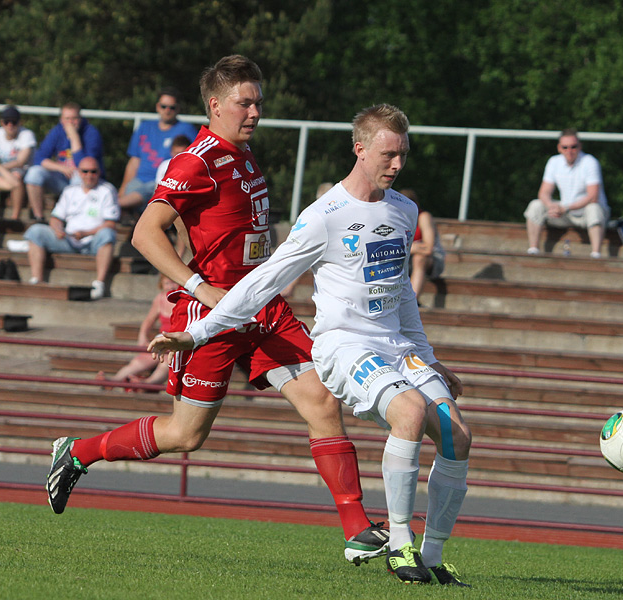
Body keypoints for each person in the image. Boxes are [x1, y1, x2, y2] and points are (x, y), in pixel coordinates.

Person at [44, 55, 387, 567]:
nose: (254, 111)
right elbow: (144, 232)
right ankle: (76, 454)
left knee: (321, 401)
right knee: (186, 435)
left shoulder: (245, 156)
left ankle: (357, 529)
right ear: (215, 105)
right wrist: (202, 290)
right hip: (215, 317)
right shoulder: (195, 161)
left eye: (258, 102)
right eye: (244, 102)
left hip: (262, 307)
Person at [149, 104, 473, 586]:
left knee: (457, 434)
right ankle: (401, 547)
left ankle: (433, 555)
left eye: (403, 155)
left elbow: (401, 292)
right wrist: (197, 332)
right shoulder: (325, 215)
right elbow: (264, 280)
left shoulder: (404, 211)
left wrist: (428, 357)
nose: (397, 165)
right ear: (359, 149)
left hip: (396, 345)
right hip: (344, 346)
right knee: (407, 412)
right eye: (388, 154)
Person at [23, 156, 117, 299]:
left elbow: (111, 223)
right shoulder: (70, 191)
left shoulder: (107, 190)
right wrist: (57, 229)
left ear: (99, 172)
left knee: (108, 234)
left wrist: (86, 233)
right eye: (85, 171)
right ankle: (37, 280)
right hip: (68, 239)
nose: (89, 175)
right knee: (35, 231)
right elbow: (55, 218)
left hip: (93, 242)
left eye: (93, 171)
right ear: (79, 172)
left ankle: (99, 283)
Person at [524, 128, 611, 258]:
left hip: (584, 214)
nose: (569, 151)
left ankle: (596, 255)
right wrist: (551, 206)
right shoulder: (554, 162)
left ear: (580, 146)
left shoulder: (590, 162)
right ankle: (533, 250)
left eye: (573, 147)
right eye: (565, 147)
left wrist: (567, 207)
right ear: (559, 148)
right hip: (565, 213)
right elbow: (544, 192)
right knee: (536, 205)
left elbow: (593, 196)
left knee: (594, 209)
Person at [117, 88, 198, 216]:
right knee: (129, 195)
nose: (167, 110)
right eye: (164, 106)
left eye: (172, 107)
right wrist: (122, 188)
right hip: (138, 181)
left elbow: (194, 162)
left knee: (145, 193)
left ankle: (116, 205)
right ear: (157, 107)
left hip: (164, 182)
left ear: (178, 109)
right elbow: (134, 161)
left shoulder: (187, 130)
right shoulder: (144, 127)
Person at [25, 102, 104, 223]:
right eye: (67, 119)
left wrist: (74, 137)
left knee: (78, 177)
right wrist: (61, 168)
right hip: (61, 178)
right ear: (61, 120)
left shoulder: (91, 133)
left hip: (86, 181)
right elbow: (39, 158)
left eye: (74, 118)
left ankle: (72, 220)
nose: (71, 123)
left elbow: (84, 164)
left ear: (80, 118)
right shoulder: (57, 131)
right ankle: (38, 217)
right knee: (34, 173)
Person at [96, 274, 174, 390]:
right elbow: (148, 320)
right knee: (143, 359)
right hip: (162, 339)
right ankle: (114, 380)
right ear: (161, 284)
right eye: (167, 283)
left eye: (173, 283)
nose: (171, 286)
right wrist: (142, 337)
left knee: (167, 360)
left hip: (176, 340)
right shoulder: (160, 299)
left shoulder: (183, 299)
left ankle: (148, 383)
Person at [0, 105, 37, 222]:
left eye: (14, 121)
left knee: (15, 177)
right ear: (2, 123)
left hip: (24, 171)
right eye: (7, 121)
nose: (10, 125)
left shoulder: (27, 135)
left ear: (20, 123)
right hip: (4, 172)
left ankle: (15, 217)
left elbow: (20, 162)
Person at [400, 188, 445, 296]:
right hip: (406, 258)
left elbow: (428, 249)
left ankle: (413, 301)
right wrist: (410, 249)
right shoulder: (395, 219)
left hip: (432, 260)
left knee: (419, 259)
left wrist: (408, 249)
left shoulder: (423, 217)